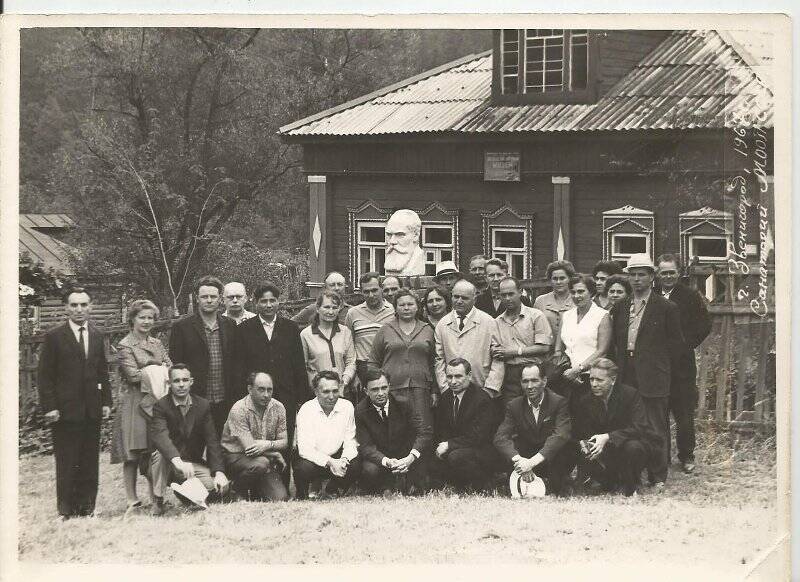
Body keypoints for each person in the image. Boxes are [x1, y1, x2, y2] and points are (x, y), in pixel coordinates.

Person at [609, 253, 684, 489]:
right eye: (632, 274)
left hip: (654, 375)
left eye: (642, 274)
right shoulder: (621, 307)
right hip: (627, 372)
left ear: (652, 277)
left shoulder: (666, 307)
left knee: (655, 425)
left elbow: (676, 346)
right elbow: (616, 344)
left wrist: (663, 371)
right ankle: (629, 472)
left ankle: (658, 475)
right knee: (626, 422)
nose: (637, 279)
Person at [37, 287, 112, 520]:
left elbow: (102, 372)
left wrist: (106, 401)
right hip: (64, 411)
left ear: (91, 307)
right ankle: (66, 510)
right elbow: (45, 376)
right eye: (74, 305)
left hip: (92, 409)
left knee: (90, 460)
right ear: (66, 308)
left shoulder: (98, 335)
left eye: (83, 304)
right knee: (67, 459)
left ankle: (87, 507)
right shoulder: (54, 337)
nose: (79, 309)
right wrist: (50, 407)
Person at [237, 283, 310, 487]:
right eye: (264, 301)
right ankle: (256, 485)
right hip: (256, 395)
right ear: (255, 302)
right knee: (257, 436)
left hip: (285, 394)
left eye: (272, 301)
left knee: (282, 438)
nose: (268, 305)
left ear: (279, 302)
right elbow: (240, 365)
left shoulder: (290, 328)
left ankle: (282, 484)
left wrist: (301, 398)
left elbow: (298, 364)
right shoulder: (245, 329)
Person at [111, 299, 172, 517]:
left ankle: (155, 496)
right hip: (135, 402)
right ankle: (132, 499)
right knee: (133, 452)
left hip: (156, 400)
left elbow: (170, 366)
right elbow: (133, 375)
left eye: (150, 318)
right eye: (142, 317)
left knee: (152, 450)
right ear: (132, 319)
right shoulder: (125, 345)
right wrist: (157, 368)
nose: (146, 322)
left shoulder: (156, 343)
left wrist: (153, 368)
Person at [147, 364, 230, 515]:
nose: (181, 384)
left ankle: (184, 492)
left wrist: (219, 472)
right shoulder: (161, 406)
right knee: (160, 455)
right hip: (168, 463)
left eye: (185, 380)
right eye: (176, 381)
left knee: (216, 488)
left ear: (191, 382)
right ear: (169, 383)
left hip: (191, 465)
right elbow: (161, 436)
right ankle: (158, 501)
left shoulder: (203, 405)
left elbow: (212, 441)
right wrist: (177, 460)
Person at [570, 358, 659, 497]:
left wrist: (608, 437)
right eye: (592, 379)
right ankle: (600, 480)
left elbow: (640, 427)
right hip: (601, 453)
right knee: (577, 448)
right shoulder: (585, 400)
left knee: (634, 447)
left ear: (613, 380)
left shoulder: (630, 395)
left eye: (599, 380)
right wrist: (587, 445)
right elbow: (581, 431)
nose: (594, 384)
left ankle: (630, 483)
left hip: (626, 447)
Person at [655, 253, 711, 473]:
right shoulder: (651, 294)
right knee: (659, 412)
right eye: (663, 273)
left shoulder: (689, 296)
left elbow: (704, 325)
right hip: (657, 365)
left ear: (679, 273)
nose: (668, 276)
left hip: (681, 365)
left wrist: (685, 344)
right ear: (657, 274)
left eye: (672, 272)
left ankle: (686, 456)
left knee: (684, 414)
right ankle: (662, 457)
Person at [169, 276, 241, 438]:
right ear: (197, 299)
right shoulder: (182, 327)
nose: (209, 300)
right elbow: (176, 366)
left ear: (220, 299)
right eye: (204, 296)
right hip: (194, 400)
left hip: (224, 400)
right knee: (194, 451)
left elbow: (236, 364)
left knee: (221, 450)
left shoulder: (230, 325)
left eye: (213, 296)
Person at [493, 363, 573, 496]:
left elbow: (561, 435)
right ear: (520, 383)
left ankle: (558, 485)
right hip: (525, 457)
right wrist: (519, 461)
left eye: (534, 380)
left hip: (548, 457)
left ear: (544, 381)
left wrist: (531, 463)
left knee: (566, 448)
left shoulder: (558, 402)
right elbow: (500, 438)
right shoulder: (514, 405)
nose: (529, 386)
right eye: (525, 381)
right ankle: (516, 484)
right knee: (509, 448)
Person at [356, 368, 432, 495]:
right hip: (382, 459)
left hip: (406, 455)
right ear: (366, 391)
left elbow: (424, 432)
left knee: (424, 454)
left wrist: (409, 458)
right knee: (369, 470)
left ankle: (411, 484)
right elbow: (366, 447)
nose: (380, 393)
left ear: (389, 387)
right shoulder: (360, 411)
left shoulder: (404, 403)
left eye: (384, 388)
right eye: (374, 389)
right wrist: (387, 461)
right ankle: (384, 487)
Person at [369, 289, 438, 426]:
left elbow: (434, 363)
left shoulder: (427, 330)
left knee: (422, 426)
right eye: (402, 305)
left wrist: (434, 391)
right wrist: (378, 387)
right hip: (392, 389)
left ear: (417, 306)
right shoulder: (385, 330)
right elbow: (373, 361)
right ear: (395, 307)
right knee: (395, 427)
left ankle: (418, 449)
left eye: (410, 304)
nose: (406, 308)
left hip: (421, 389)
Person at [221, 372, 289, 502]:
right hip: (234, 456)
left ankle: (254, 489)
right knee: (261, 464)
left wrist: (268, 445)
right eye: (261, 389)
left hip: (261, 458)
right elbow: (250, 449)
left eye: (270, 390)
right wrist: (275, 454)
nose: (266, 395)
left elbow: (284, 442)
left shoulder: (279, 407)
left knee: (280, 498)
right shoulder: (239, 409)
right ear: (250, 389)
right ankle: (235, 489)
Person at [430, 359, 497, 492]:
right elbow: (441, 429)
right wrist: (441, 445)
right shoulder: (446, 398)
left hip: (481, 450)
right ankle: (455, 485)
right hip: (456, 448)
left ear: (469, 376)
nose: (453, 381)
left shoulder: (482, 399)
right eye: (449, 377)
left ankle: (483, 484)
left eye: (458, 376)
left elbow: (479, 436)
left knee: (456, 456)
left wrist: (448, 445)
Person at [294, 371, 361, 499]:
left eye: (335, 391)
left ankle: (333, 487)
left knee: (356, 463)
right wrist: (330, 462)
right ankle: (303, 495)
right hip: (314, 459)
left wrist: (344, 459)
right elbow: (305, 449)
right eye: (326, 392)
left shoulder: (347, 406)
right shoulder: (306, 409)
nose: (331, 396)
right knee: (302, 468)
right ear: (316, 392)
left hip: (338, 456)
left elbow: (350, 440)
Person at [434, 279, 504, 400]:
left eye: (464, 298)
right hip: (453, 393)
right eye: (456, 297)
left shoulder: (489, 322)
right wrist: (445, 388)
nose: (459, 301)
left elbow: (499, 358)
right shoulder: (443, 324)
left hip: (483, 390)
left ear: (474, 299)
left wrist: (490, 389)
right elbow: (439, 360)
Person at [491, 277, 553, 409]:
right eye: (503, 295)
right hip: (510, 375)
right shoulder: (497, 322)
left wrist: (513, 352)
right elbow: (496, 350)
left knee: (537, 408)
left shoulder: (536, 316)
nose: (507, 298)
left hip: (534, 370)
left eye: (511, 294)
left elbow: (545, 347)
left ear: (520, 292)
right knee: (512, 410)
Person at [553, 274, 612, 404]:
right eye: (573, 292)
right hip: (566, 376)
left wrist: (578, 370)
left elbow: (602, 351)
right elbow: (559, 348)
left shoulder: (602, 316)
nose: (576, 296)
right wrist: (563, 368)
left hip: (591, 377)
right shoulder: (567, 315)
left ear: (591, 292)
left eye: (581, 291)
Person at [300, 291, 357, 395]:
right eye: (326, 307)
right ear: (317, 308)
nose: (331, 312)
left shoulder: (345, 332)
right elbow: (303, 366)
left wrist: (344, 382)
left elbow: (351, 362)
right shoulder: (306, 334)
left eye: (334, 308)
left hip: (342, 391)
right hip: (317, 392)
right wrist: (317, 385)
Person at [345, 271, 395, 386]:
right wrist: (355, 375)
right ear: (361, 292)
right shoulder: (353, 313)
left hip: (388, 365)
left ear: (381, 288)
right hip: (363, 368)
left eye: (374, 290)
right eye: (366, 292)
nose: (371, 295)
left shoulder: (393, 311)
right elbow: (349, 346)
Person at [534, 260, 577, 345]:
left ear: (570, 279)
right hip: (545, 352)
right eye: (555, 279)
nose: (558, 282)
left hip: (572, 350)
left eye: (562, 278)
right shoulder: (540, 301)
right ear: (550, 280)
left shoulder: (576, 300)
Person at [384, 208, 426, 276]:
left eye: (400, 235)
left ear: (416, 235)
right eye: (389, 235)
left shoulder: (418, 260)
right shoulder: (391, 257)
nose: (392, 241)